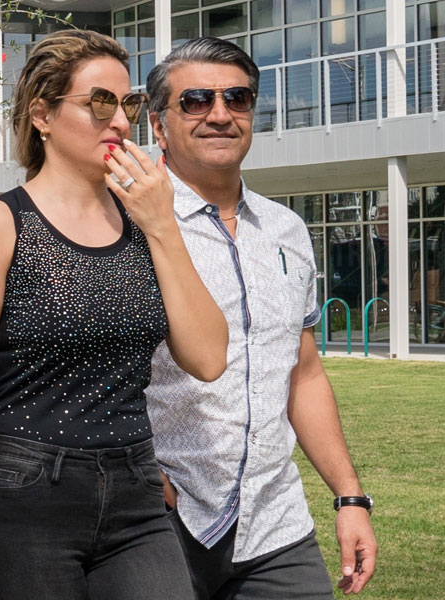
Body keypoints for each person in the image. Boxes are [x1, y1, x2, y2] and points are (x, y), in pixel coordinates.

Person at [0, 30, 230, 600]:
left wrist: (164, 225)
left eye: (129, 104)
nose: (120, 121)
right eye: (99, 103)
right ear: (42, 114)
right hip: (23, 491)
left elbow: (210, 357)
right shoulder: (1, 226)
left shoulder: (147, 223)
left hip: (135, 490)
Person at [139, 37, 378, 598]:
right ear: (158, 125)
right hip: (159, 522)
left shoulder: (287, 231)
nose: (220, 114)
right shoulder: (124, 224)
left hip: (275, 524)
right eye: (195, 100)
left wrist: (349, 497)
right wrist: (139, 468)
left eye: (237, 98)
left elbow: (305, 372)